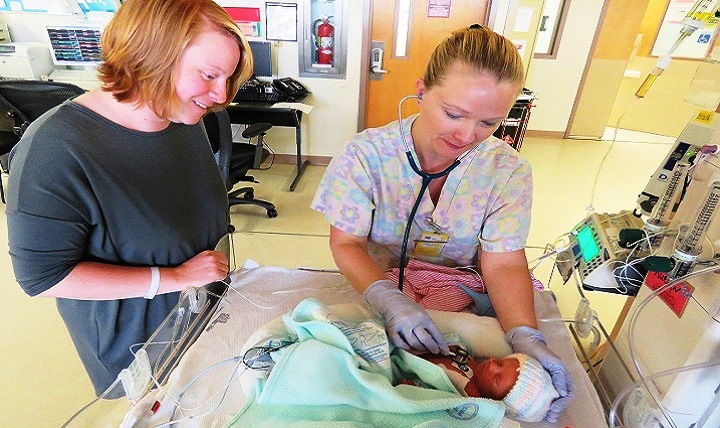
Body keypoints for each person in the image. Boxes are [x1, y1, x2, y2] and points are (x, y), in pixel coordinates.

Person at [311, 24, 573, 422]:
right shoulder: (366, 156)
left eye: (489, 123)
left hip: (464, 292)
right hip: (380, 281)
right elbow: (347, 244)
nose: (468, 135)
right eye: (454, 114)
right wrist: (388, 299)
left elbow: (502, 262)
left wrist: (524, 335)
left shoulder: (507, 171)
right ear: (420, 91)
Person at [6, 0, 252, 397]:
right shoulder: (55, 149)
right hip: (142, 340)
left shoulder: (179, 117)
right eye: (209, 75)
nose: (221, 94)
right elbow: (43, 277)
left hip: (201, 313)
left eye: (227, 78)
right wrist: (173, 278)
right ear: (151, 56)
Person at [400, 344, 559, 423]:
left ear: (497, 401)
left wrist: (415, 392)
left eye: (496, 378)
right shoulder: (474, 367)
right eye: (500, 362)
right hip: (411, 350)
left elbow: (436, 407)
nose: (491, 364)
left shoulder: (469, 402)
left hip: (404, 375)